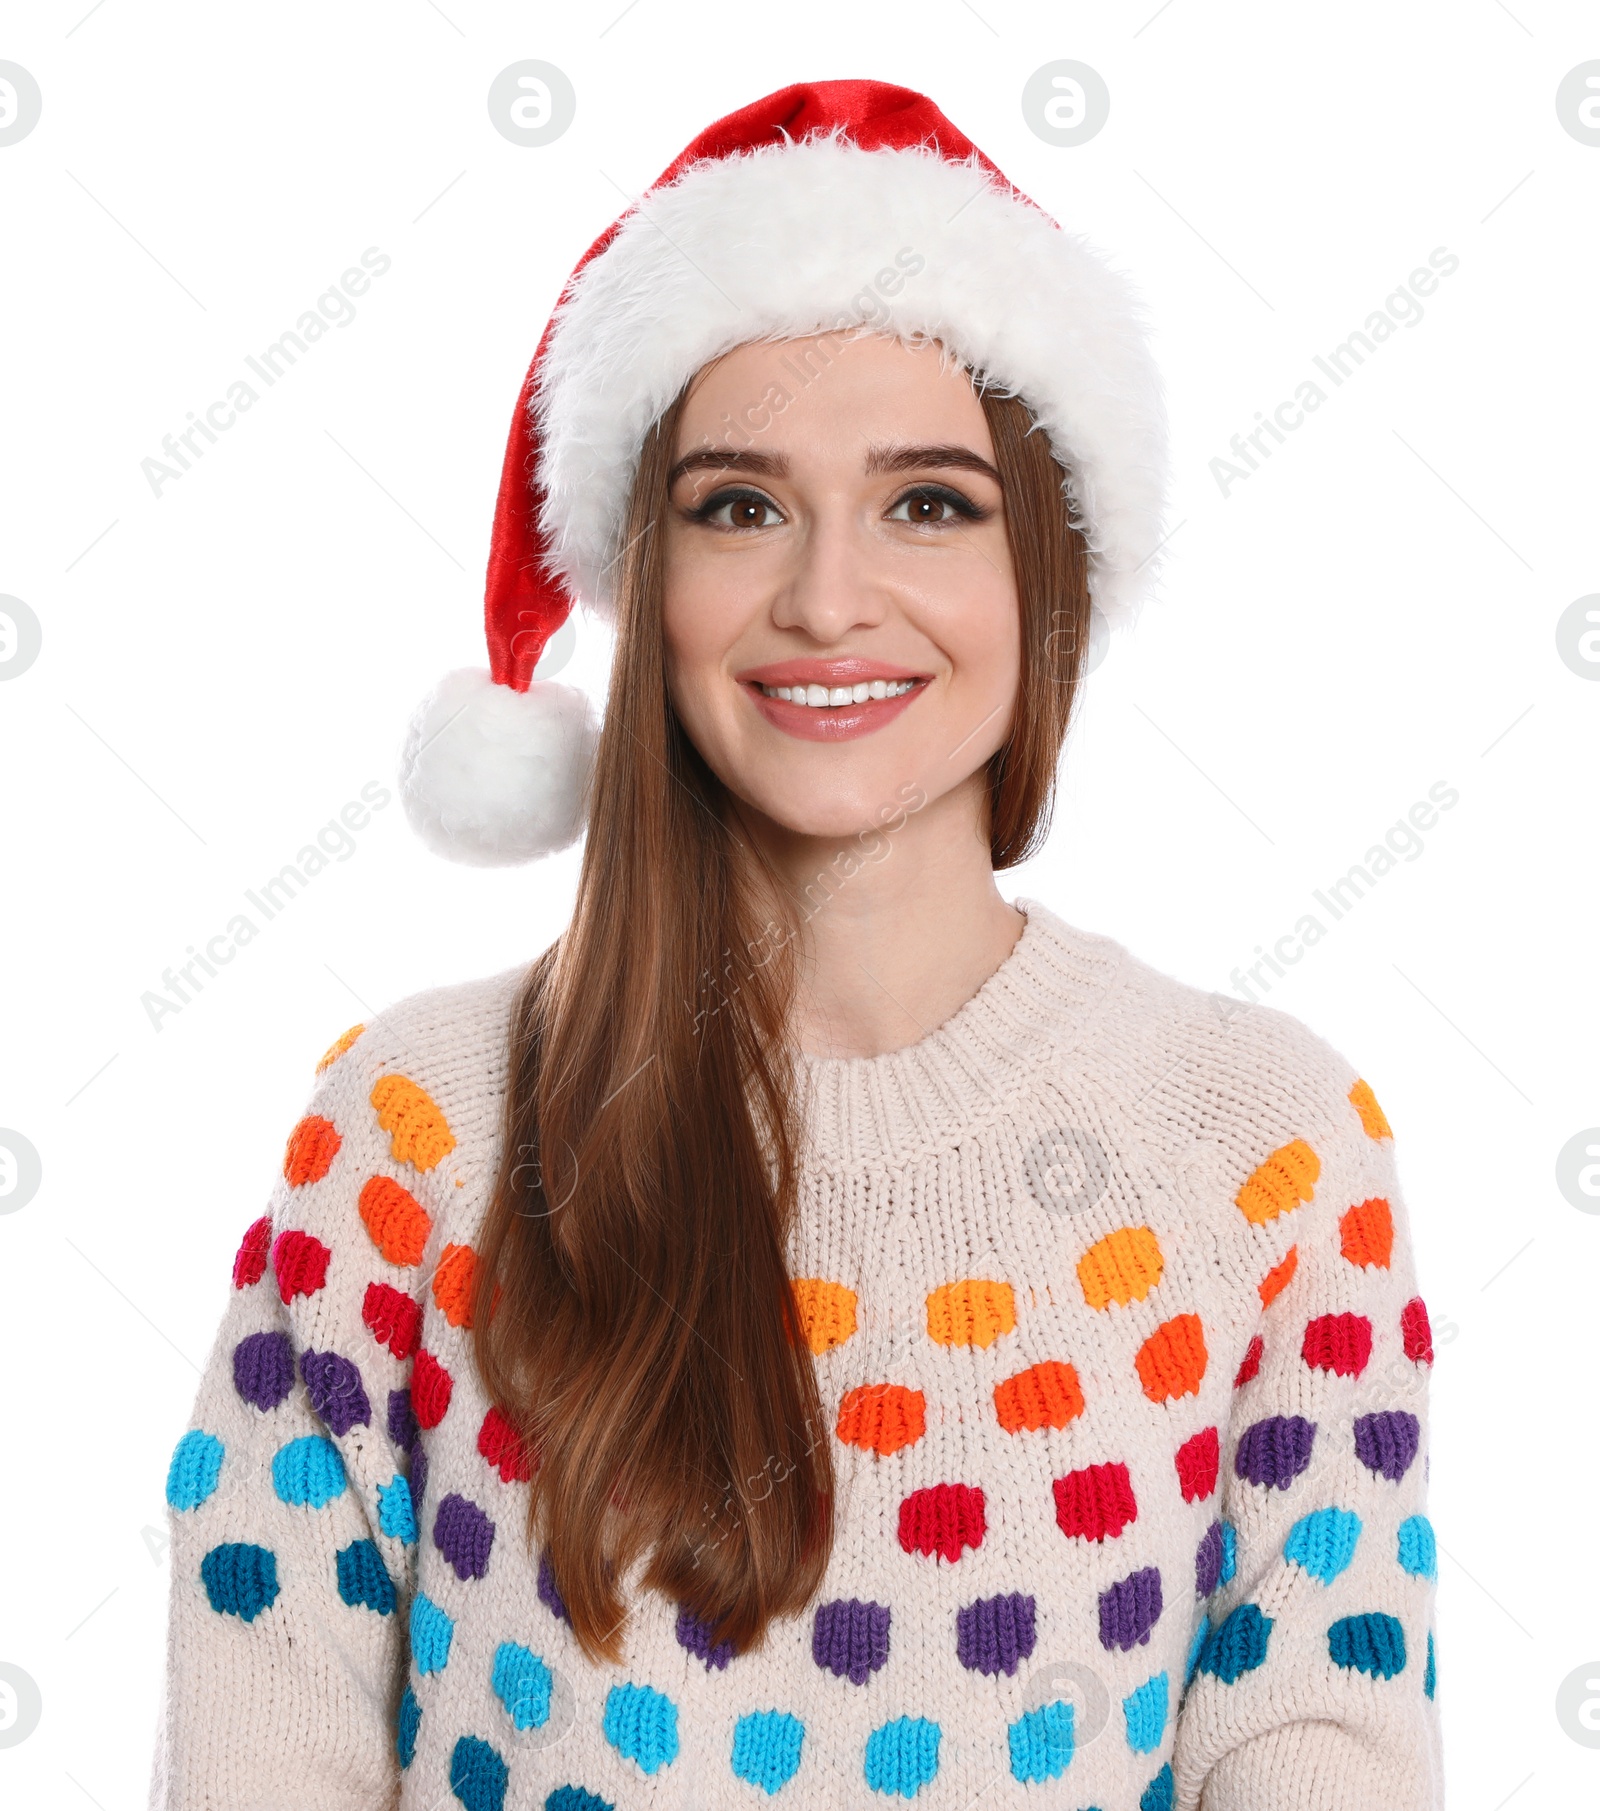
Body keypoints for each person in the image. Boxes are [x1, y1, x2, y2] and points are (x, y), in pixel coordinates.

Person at [149, 81, 1442, 1811]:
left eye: (929, 505)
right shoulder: (413, 1135)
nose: (830, 598)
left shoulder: (1267, 1148)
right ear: (647, 574)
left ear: (1041, 579)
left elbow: (1321, 1745)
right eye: (740, 507)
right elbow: (265, 1746)